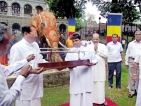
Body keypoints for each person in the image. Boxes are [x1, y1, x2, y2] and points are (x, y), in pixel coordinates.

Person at [0, 23, 43, 106]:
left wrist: (53, 65)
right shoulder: (16, 47)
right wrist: (25, 74)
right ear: (26, 34)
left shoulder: (35, 45)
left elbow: (6, 70)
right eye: (8, 42)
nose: (9, 45)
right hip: (24, 88)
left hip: (35, 86)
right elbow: (4, 102)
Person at [65, 33, 97, 106]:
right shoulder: (70, 52)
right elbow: (67, 63)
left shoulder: (88, 50)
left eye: (76, 40)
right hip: (76, 77)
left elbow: (95, 60)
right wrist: (70, 66)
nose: (75, 42)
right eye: (73, 41)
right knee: (76, 96)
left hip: (86, 77)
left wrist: (91, 63)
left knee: (86, 96)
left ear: (80, 40)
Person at [88, 33, 108, 105]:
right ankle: (92, 100)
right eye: (94, 39)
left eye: (97, 39)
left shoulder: (103, 46)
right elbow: (87, 57)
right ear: (92, 39)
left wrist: (97, 50)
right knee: (92, 84)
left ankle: (100, 100)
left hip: (100, 69)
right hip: (92, 70)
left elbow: (106, 55)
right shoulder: (88, 47)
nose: (95, 40)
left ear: (99, 39)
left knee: (100, 85)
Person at [125, 31, 141, 98]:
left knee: (139, 76)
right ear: (134, 35)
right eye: (136, 34)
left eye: (139, 34)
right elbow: (127, 52)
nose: (137, 35)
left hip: (140, 61)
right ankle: (132, 91)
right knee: (132, 76)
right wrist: (126, 62)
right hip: (132, 60)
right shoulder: (131, 44)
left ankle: (138, 90)